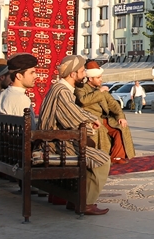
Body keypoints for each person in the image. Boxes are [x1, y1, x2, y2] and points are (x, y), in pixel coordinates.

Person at [39, 55, 112, 214]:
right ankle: (86, 203)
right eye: (81, 71)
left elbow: (74, 112)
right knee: (102, 160)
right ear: (72, 74)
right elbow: (72, 118)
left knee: (92, 153)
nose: (84, 74)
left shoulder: (59, 88)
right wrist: (93, 121)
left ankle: (76, 199)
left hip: (52, 141)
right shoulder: (62, 91)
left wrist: (90, 119)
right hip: (54, 145)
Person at [75, 62, 136, 163]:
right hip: (92, 119)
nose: (101, 80)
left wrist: (121, 116)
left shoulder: (100, 89)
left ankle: (117, 157)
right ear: (90, 78)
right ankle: (102, 158)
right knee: (101, 131)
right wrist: (99, 92)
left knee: (121, 127)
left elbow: (113, 104)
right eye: (98, 78)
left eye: (100, 77)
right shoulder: (81, 88)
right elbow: (83, 101)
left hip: (106, 118)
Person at [0, 53, 38, 118]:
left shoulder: (4, 94)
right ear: (19, 76)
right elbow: (31, 127)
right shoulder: (22, 99)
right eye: (32, 73)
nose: (35, 76)